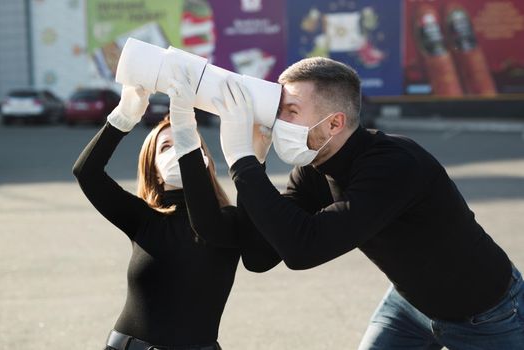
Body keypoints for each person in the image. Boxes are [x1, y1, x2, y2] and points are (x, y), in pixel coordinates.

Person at [212, 57, 524, 349]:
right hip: (411, 303)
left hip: (487, 313)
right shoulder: (312, 168)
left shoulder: (394, 165)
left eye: (290, 111)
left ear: (334, 123)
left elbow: (303, 248)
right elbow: (260, 256)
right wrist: (256, 160)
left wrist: (242, 162)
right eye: (277, 109)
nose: (277, 121)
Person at [72, 66, 280, 350]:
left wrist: (253, 161)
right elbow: (87, 173)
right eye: (165, 147)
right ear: (154, 169)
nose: (179, 151)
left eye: (188, 144)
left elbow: (256, 252)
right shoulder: (142, 218)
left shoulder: (230, 221)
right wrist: (123, 118)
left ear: (205, 161)